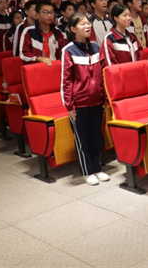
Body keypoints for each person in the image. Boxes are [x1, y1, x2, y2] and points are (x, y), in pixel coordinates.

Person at [61, 13, 109, 186]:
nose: (87, 26)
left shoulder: (95, 47)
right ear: (73, 29)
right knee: (83, 140)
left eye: (88, 23)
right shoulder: (68, 51)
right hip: (79, 103)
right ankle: (87, 171)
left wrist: (105, 98)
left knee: (97, 137)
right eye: (83, 24)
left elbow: (104, 73)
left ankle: (97, 168)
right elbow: (66, 81)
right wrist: (69, 106)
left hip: (97, 101)